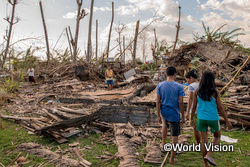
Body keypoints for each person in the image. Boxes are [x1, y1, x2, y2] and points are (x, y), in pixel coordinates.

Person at [191, 71, 232, 167]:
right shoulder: (215, 92)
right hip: (213, 118)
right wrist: (227, 121)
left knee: (204, 142)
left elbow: (193, 107)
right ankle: (209, 154)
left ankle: (205, 164)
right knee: (217, 136)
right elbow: (220, 107)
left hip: (201, 118)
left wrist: (192, 118)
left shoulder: (197, 92)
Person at [156, 66, 185, 164]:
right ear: (175, 74)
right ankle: (172, 159)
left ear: (165, 74)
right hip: (174, 114)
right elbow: (181, 102)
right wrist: (183, 116)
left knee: (164, 125)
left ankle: (163, 144)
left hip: (164, 112)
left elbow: (158, 101)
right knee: (175, 136)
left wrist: (158, 115)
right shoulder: (179, 86)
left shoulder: (160, 86)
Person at [185, 70, 200, 144]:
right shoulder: (202, 84)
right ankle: (205, 143)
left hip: (195, 110)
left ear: (191, 77)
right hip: (203, 109)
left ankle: (199, 144)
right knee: (203, 128)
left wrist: (187, 111)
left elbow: (190, 99)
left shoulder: (191, 86)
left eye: (187, 79)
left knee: (195, 128)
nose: (187, 81)